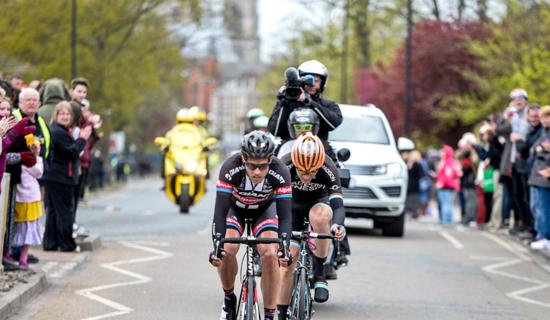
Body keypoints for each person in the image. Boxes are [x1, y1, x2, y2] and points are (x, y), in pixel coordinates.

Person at [209, 131, 292, 320]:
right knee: (227, 249)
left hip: (264, 211)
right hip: (235, 210)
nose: (257, 172)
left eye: (262, 167)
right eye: (252, 166)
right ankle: (229, 297)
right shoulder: (230, 167)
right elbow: (219, 213)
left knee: (271, 254)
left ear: (270, 161)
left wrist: (284, 247)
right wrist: (217, 246)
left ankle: (270, 314)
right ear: (243, 159)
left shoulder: (280, 171)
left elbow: (286, 217)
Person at [277, 133, 345, 318]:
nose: (306, 176)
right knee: (287, 265)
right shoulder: (285, 164)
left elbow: (338, 206)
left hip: (318, 202)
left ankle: (320, 272)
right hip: (292, 205)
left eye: (312, 172)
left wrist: (337, 226)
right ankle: (281, 312)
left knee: (321, 217)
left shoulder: (327, 166)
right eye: (302, 172)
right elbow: (272, 202)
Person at [268, 60, 342, 160]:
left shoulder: (328, 105)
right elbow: (275, 130)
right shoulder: (287, 103)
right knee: (272, 168)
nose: (312, 84)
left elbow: (333, 123)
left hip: (320, 154)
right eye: (307, 81)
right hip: (289, 153)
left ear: (322, 83)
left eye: (316, 81)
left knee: (336, 171)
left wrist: (310, 102)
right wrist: (283, 101)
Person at [42, 102, 91, 252]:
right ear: (55, 116)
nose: (65, 116)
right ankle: (67, 244)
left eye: (68, 114)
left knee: (53, 211)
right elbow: (71, 152)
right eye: (61, 114)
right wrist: (82, 139)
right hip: (60, 177)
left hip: (55, 176)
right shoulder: (58, 132)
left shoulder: (62, 130)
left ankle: (50, 243)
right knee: (64, 212)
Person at [12, 138, 43, 269]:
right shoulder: (29, 161)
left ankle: (18, 256)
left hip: (22, 199)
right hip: (29, 199)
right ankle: (22, 258)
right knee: (27, 230)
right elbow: (39, 172)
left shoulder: (20, 161)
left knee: (19, 229)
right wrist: (37, 156)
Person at [528, 105, 550, 251]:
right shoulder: (544, 132)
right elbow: (533, 149)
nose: (543, 120)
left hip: (545, 175)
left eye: (545, 117)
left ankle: (546, 238)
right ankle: (543, 236)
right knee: (539, 207)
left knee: (545, 209)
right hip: (539, 174)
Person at [436, 145, 462, 224]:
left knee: (446, 204)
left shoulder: (448, 162)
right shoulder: (446, 161)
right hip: (447, 186)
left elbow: (448, 175)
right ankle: (448, 220)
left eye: (443, 151)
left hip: (446, 187)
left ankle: (447, 221)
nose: (441, 153)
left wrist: (442, 183)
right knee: (447, 204)